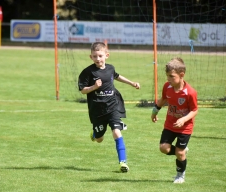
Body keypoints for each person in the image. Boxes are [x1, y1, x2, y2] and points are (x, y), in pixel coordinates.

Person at [78, 42, 140, 173]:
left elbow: (117, 76)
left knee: (116, 132)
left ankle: (122, 163)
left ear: (107, 55)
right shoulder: (88, 72)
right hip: (97, 111)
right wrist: (94, 87)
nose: (98, 59)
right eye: (95, 56)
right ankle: (95, 133)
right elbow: (83, 90)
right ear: (91, 57)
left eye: (100, 56)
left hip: (112, 107)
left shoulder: (110, 68)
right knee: (99, 139)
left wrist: (131, 83)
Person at [151, 57, 198, 183]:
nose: (168, 79)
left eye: (171, 76)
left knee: (179, 152)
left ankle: (180, 175)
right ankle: (181, 151)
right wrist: (154, 112)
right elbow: (163, 99)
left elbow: (194, 110)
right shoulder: (167, 86)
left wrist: (183, 119)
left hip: (185, 127)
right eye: (167, 76)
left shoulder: (190, 93)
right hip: (170, 124)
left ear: (181, 75)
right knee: (163, 148)